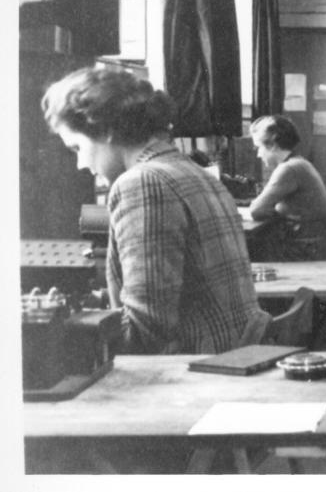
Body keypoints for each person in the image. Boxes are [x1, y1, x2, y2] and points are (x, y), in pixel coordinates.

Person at [41, 67, 270, 355]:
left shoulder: (143, 182)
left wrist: (61, 331)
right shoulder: (192, 172)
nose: (81, 165)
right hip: (230, 355)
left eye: (77, 148)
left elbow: (146, 333)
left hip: (195, 374)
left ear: (107, 131)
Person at [248, 114, 326, 261]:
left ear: (274, 145)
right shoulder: (299, 163)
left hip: (308, 251)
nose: (258, 154)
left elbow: (257, 210)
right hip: (315, 247)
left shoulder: (289, 169)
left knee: (253, 253)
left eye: (259, 147)